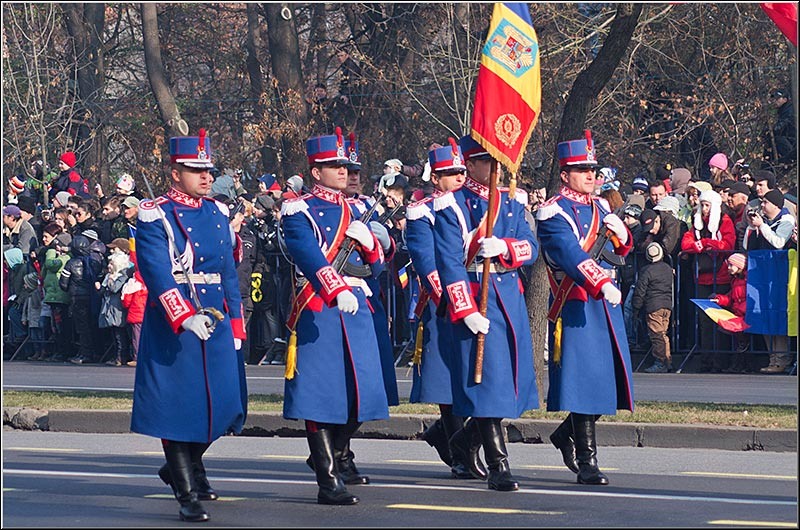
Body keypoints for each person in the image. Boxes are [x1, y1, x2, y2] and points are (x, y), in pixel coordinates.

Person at [130, 129, 247, 523]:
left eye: (208, 170)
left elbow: (229, 272)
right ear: (175, 172)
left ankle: (182, 466)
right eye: (195, 170)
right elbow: (157, 272)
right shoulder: (155, 213)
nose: (205, 177)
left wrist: (235, 324)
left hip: (213, 315)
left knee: (226, 404)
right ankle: (185, 491)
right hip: (175, 321)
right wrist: (181, 315)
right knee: (180, 407)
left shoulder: (216, 212)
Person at [279, 128, 389, 505]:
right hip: (320, 306)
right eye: (332, 165)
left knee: (364, 394)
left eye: (344, 164)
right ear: (315, 171)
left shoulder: (359, 208)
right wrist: (335, 287)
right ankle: (328, 478)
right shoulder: (298, 209)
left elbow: (377, 268)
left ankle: (332, 452)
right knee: (319, 396)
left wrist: (372, 243)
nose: (342, 170)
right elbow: (307, 254)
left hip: (358, 306)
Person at [432, 135, 540, 492]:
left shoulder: (511, 200)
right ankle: (499, 464)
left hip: (508, 294)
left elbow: (531, 246)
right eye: (485, 161)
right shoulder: (453, 206)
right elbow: (449, 261)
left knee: (511, 383)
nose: (495, 168)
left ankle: (462, 441)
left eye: (497, 162)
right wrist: (464, 309)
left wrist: (506, 247)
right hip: (477, 294)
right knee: (488, 385)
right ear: (471, 164)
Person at [536, 130, 634, 486]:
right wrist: (601, 281)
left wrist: (623, 237)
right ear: (565, 174)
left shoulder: (601, 207)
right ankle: (588, 460)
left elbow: (618, 254)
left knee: (606, 380)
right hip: (576, 301)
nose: (591, 175)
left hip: (603, 302)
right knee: (584, 381)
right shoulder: (552, 211)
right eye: (582, 169)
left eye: (593, 168)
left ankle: (566, 435)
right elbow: (569, 254)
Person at [405, 141, 486, 481]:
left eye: (460, 172)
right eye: (450, 173)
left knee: (475, 378)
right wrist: (454, 300)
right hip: (442, 302)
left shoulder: (471, 206)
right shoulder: (423, 211)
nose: (457, 178)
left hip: (474, 296)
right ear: (435, 178)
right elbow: (427, 262)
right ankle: (459, 454)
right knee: (448, 382)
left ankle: (447, 436)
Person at [680, 189, 735, 373]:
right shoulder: (696, 224)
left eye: (707, 205)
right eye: (702, 205)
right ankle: (706, 359)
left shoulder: (724, 221)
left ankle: (721, 360)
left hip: (721, 276)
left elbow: (727, 245)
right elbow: (686, 244)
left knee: (720, 319)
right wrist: (703, 244)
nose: (704, 209)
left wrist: (705, 244)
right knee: (704, 321)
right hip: (702, 277)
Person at [743, 189, 796, 374]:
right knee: (765, 315)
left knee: (778, 316)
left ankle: (782, 358)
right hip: (763, 276)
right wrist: (752, 226)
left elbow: (779, 242)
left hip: (780, 277)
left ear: (775, 205)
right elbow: (745, 246)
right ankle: (772, 357)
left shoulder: (787, 220)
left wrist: (762, 226)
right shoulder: (762, 221)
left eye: (765, 202)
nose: (762, 206)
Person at [632, 243, 674, 373]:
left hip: (653, 305)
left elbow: (640, 291)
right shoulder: (668, 268)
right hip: (667, 305)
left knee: (656, 335)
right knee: (663, 334)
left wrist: (636, 307)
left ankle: (660, 362)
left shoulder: (646, 271)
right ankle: (668, 361)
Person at [710, 253, 750, 373]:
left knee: (740, 338)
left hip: (744, 315)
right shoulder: (736, 280)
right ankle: (736, 363)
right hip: (739, 314)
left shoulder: (748, 280)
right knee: (725, 331)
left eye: (731, 265)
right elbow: (731, 297)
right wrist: (719, 299)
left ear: (740, 266)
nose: (728, 268)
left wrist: (741, 311)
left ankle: (741, 364)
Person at [99, 252, 131, 366]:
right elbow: (102, 291)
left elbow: (114, 288)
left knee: (120, 334)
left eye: (111, 264)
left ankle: (121, 357)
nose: (109, 266)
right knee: (114, 334)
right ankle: (116, 356)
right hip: (109, 308)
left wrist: (111, 280)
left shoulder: (122, 276)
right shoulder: (108, 276)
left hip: (118, 308)